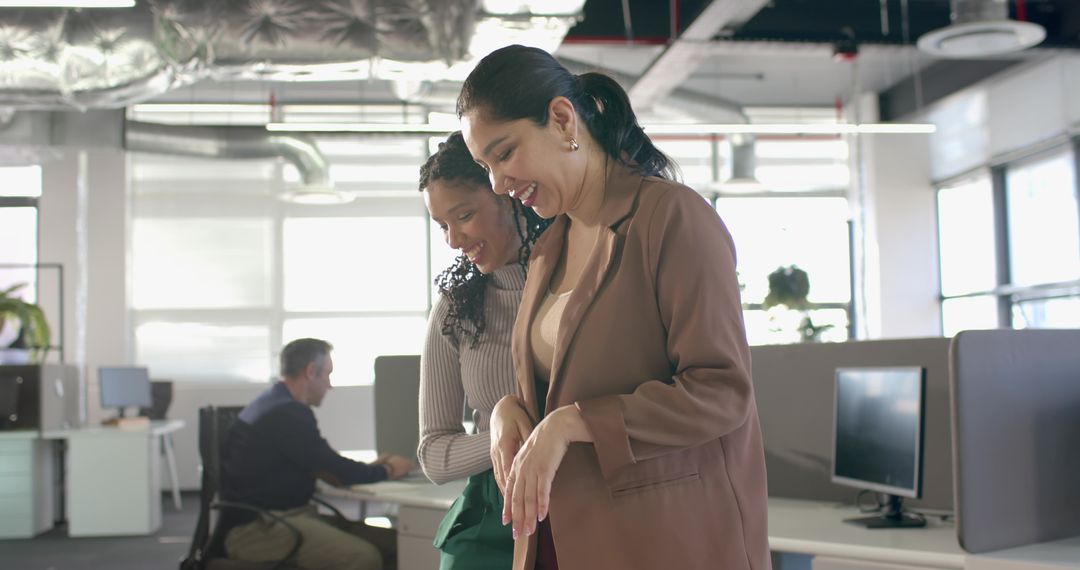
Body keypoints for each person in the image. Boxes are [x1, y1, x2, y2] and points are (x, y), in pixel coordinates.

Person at [457, 45, 772, 570]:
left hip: (665, 543)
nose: (498, 184)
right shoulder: (548, 249)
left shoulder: (672, 217)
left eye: (505, 153)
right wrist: (507, 410)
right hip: (562, 540)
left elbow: (723, 391)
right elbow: (571, 380)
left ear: (561, 120)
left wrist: (573, 423)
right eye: (485, 166)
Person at [418, 131, 550, 569]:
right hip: (490, 518)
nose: (454, 240)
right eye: (442, 226)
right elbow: (434, 455)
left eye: (465, 215)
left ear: (508, 195)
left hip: (581, 508)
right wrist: (501, 436)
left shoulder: (575, 283)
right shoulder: (455, 310)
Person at [221, 337, 415, 570]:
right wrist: (390, 469)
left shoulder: (274, 403)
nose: (330, 385)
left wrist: (370, 468)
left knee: (398, 544)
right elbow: (337, 470)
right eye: (328, 374)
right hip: (257, 529)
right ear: (311, 372)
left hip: (285, 517)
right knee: (362, 557)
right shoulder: (286, 413)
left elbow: (324, 465)